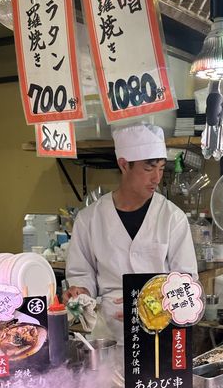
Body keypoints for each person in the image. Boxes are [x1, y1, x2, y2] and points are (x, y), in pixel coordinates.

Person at [63, 123, 198, 341]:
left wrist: (147, 305)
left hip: (159, 331)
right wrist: (80, 292)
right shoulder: (89, 219)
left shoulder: (172, 217)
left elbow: (186, 283)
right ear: (124, 165)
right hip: (109, 333)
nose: (156, 178)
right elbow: (81, 274)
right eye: (149, 168)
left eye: (161, 168)